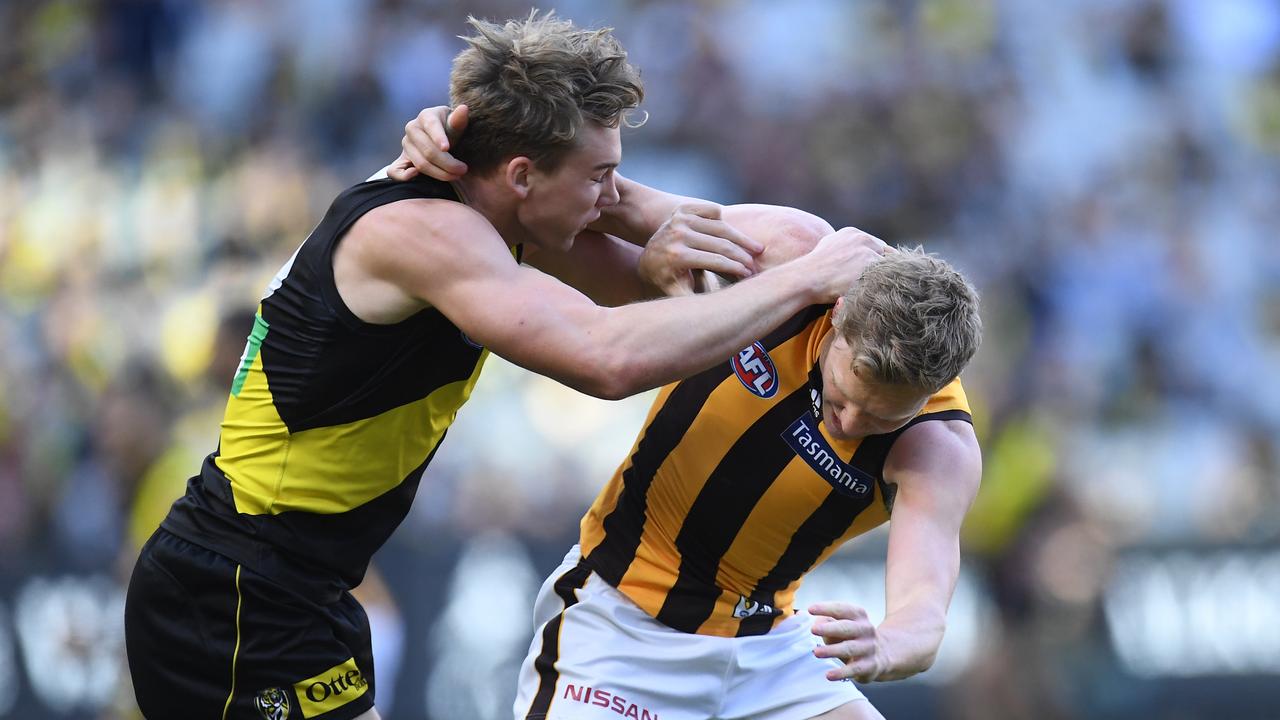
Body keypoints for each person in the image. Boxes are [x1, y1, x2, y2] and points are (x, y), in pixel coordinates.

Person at [123, 12, 885, 720]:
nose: (613, 194)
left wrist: (609, 195)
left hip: (298, 591)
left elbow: (756, 248)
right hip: (231, 589)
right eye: (599, 175)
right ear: (520, 174)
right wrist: (806, 283)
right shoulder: (425, 234)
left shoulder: (505, 216)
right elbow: (607, 358)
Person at [511, 208, 983, 720]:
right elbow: (611, 202)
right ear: (839, 314)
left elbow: (925, 613)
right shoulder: (793, 253)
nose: (845, 425)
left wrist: (889, 645)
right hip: (622, 622)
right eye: (844, 397)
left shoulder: (940, 447)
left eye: (880, 418)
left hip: (771, 650)